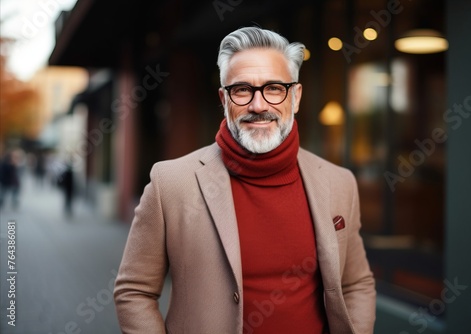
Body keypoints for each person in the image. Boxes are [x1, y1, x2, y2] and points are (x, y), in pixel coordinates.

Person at [114, 26, 376, 334]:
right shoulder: (170, 183)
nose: (258, 105)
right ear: (224, 99)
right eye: (242, 90)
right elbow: (134, 291)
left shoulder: (339, 182)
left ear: (296, 96)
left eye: (274, 88)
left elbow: (357, 282)